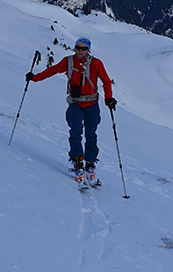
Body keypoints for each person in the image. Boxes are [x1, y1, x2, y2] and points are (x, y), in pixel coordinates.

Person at [27, 37, 116, 185]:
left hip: (92, 104)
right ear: (74, 48)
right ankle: (78, 161)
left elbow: (106, 81)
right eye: (78, 48)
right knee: (75, 131)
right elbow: (53, 70)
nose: (80, 51)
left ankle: (90, 163)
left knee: (90, 134)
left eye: (84, 48)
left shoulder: (96, 63)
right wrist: (35, 78)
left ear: (89, 50)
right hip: (75, 103)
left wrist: (109, 98)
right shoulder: (68, 61)